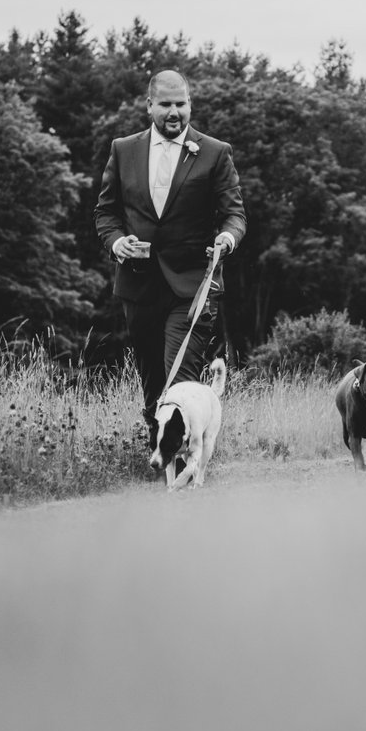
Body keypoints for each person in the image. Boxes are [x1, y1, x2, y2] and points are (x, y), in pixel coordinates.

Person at [94, 69, 246, 450]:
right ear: (149, 106)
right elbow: (105, 213)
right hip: (139, 285)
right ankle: (159, 449)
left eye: (180, 104)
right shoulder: (123, 149)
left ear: (190, 104)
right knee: (150, 376)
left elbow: (234, 214)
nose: (174, 111)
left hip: (192, 286)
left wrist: (227, 238)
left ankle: (183, 455)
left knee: (179, 371)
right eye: (165, 104)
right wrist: (116, 243)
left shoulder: (215, 152)